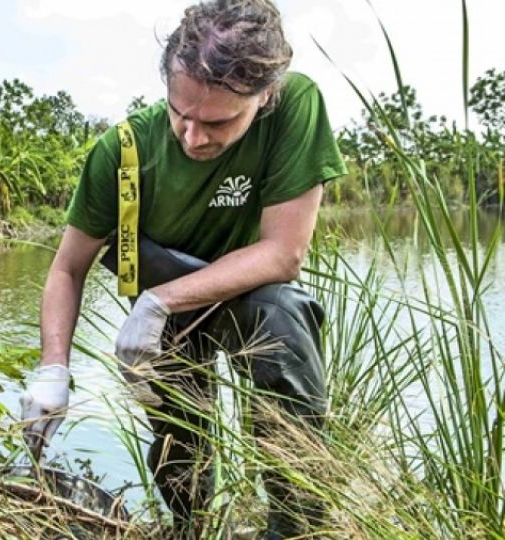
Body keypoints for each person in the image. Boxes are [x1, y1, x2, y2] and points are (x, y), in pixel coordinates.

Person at [19, 0, 347, 538]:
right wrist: (53, 369)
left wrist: (158, 299)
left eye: (217, 121)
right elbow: (67, 269)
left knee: (282, 318)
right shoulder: (122, 151)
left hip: (246, 301)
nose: (192, 137)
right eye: (180, 113)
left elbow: (284, 254)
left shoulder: (296, 105)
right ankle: (191, 527)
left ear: (265, 96)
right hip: (165, 322)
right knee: (181, 447)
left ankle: (297, 528)